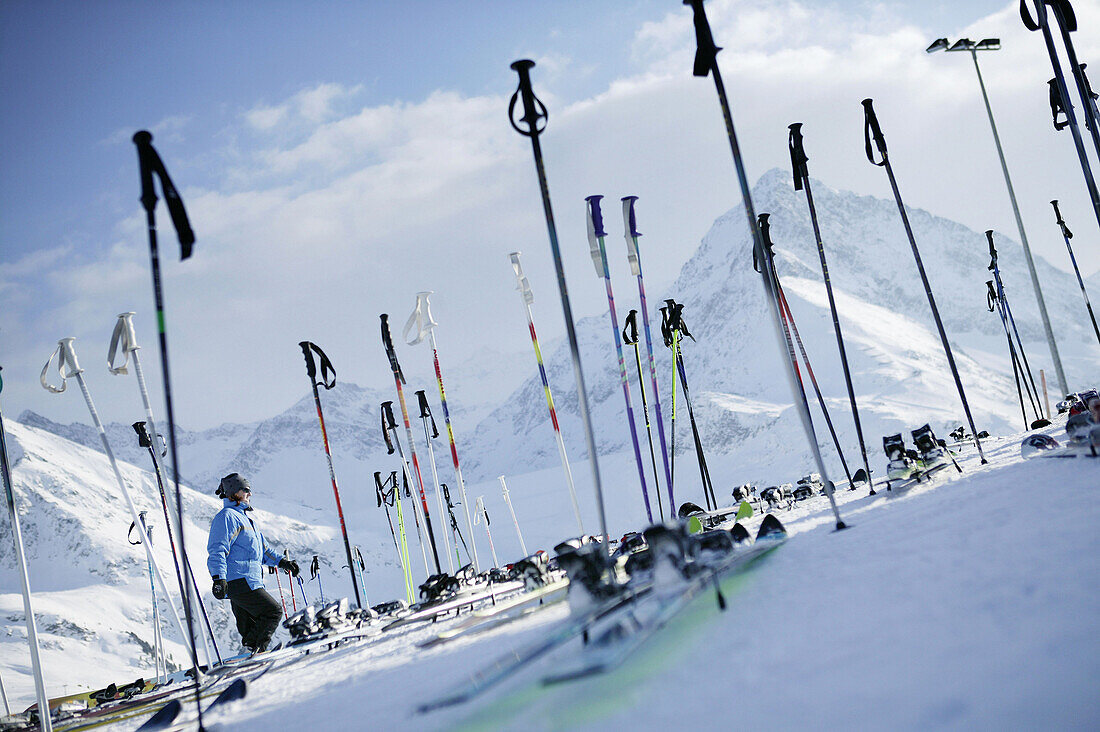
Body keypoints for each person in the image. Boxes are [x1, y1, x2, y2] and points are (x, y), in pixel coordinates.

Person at [207, 473, 299, 654]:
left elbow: (264, 552)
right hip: (239, 580)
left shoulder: (248, 521)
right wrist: (218, 578)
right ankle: (255, 650)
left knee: (250, 628)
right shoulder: (227, 517)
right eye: (246, 490)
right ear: (234, 492)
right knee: (272, 612)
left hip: (248, 580)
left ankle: (249, 655)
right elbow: (217, 549)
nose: (250, 494)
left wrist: (282, 562)